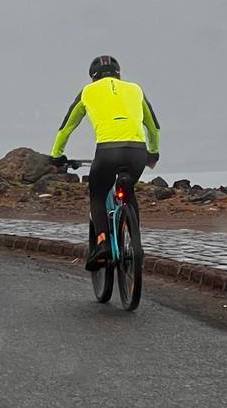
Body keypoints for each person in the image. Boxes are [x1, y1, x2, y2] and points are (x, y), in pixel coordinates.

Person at [50, 55, 160, 271]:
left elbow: (66, 127)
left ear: (93, 77)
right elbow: (153, 127)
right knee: (128, 191)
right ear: (118, 74)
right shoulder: (135, 89)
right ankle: (135, 244)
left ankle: (102, 242)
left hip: (107, 152)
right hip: (137, 151)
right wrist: (153, 154)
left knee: (98, 195)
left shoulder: (87, 92)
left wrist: (56, 155)